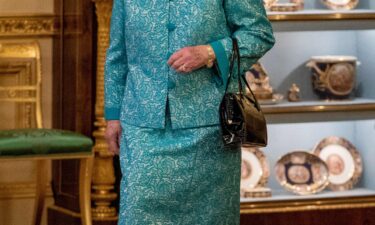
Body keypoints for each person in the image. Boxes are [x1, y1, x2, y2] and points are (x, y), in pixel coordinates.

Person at [104, 0, 275, 224]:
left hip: (209, 129)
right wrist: (113, 116)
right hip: (143, 126)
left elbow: (259, 33)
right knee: (138, 213)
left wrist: (210, 52)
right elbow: (118, 55)